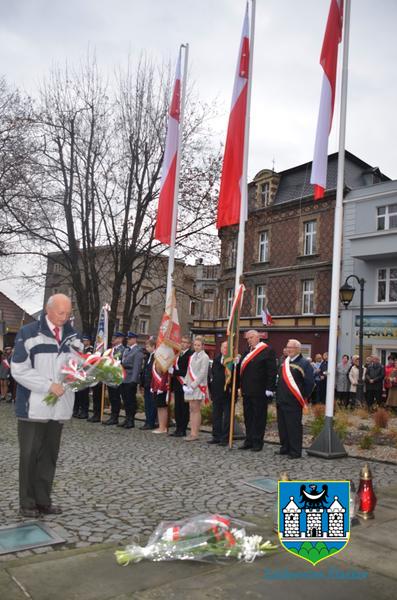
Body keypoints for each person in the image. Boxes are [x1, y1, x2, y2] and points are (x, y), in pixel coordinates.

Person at [11, 293, 82, 517]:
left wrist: (87, 372)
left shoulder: (73, 337)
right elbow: (19, 369)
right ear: (48, 310)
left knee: (49, 456)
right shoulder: (28, 333)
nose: (65, 317)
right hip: (33, 407)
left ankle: (43, 500)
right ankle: (27, 503)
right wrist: (48, 386)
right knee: (30, 456)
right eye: (61, 313)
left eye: (68, 313)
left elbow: (77, 367)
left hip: (59, 407)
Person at [239, 330, 277, 452]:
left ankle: (257, 441)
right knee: (248, 416)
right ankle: (248, 440)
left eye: (251, 337)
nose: (249, 340)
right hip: (247, 390)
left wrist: (270, 388)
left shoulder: (267, 351)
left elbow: (272, 371)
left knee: (259, 417)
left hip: (260, 391)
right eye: (247, 338)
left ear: (258, 337)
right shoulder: (247, 352)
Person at [275, 339, 314, 459]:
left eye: (290, 347)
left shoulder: (304, 363)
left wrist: (302, 397)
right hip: (281, 400)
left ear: (297, 349)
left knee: (294, 427)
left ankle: (295, 451)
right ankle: (285, 447)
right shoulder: (284, 361)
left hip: (294, 401)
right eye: (287, 347)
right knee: (283, 426)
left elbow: (309, 383)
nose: (288, 349)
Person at [183, 336, 210, 441]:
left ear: (203, 346)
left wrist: (193, 385)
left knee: (196, 409)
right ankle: (192, 431)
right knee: (191, 409)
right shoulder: (192, 356)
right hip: (190, 385)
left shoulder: (205, 357)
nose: (197, 347)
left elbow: (202, 373)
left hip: (198, 386)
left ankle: (195, 433)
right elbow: (188, 371)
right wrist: (185, 384)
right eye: (195, 345)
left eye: (199, 345)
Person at [207, 340, 234, 446]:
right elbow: (213, 375)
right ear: (220, 348)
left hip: (228, 393)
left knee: (227, 417)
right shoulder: (217, 359)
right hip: (217, 392)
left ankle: (225, 438)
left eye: (227, 347)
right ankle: (216, 436)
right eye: (223, 347)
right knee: (216, 415)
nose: (225, 349)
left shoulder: (232, 361)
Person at [169, 336, 193, 437]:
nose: (183, 344)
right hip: (177, 384)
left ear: (189, 344)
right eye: (182, 342)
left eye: (185, 342)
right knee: (177, 407)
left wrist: (174, 371)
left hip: (185, 384)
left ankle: (183, 429)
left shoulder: (190, 355)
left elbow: (185, 371)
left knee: (184, 407)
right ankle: (178, 428)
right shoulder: (178, 354)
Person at [118, 332, 144, 428]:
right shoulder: (126, 350)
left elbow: (137, 367)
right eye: (127, 339)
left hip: (130, 378)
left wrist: (134, 380)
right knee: (125, 400)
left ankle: (131, 420)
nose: (127, 340)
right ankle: (127, 418)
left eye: (129, 339)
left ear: (134, 339)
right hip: (124, 378)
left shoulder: (138, 351)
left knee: (130, 400)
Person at [103, 332, 126, 426]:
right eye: (113, 338)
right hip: (110, 376)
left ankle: (115, 416)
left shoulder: (123, 349)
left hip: (117, 376)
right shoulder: (111, 350)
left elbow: (119, 361)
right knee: (112, 397)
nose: (113, 339)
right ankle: (112, 416)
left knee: (116, 397)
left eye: (115, 338)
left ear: (120, 339)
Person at [73, 335, 93, 419]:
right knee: (78, 394)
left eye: (85, 340)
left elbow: (87, 360)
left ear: (89, 341)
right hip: (79, 374)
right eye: (83, 340)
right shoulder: (83, 349)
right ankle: (77, 410)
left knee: (84, 394)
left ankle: (84, 411)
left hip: (86, 374)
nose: (84, 342)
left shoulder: (90, 350)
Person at [140, 339, 157, 430]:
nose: (146, 348)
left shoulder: (156, 356)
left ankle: (151, 422)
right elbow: (144, 370)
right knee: (147, 403)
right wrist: (142, 383)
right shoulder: (148, 356)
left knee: (152, 403)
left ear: (153, 347)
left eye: (148, 346)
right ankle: (147, 421)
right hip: (147, 383)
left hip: (152, 383)